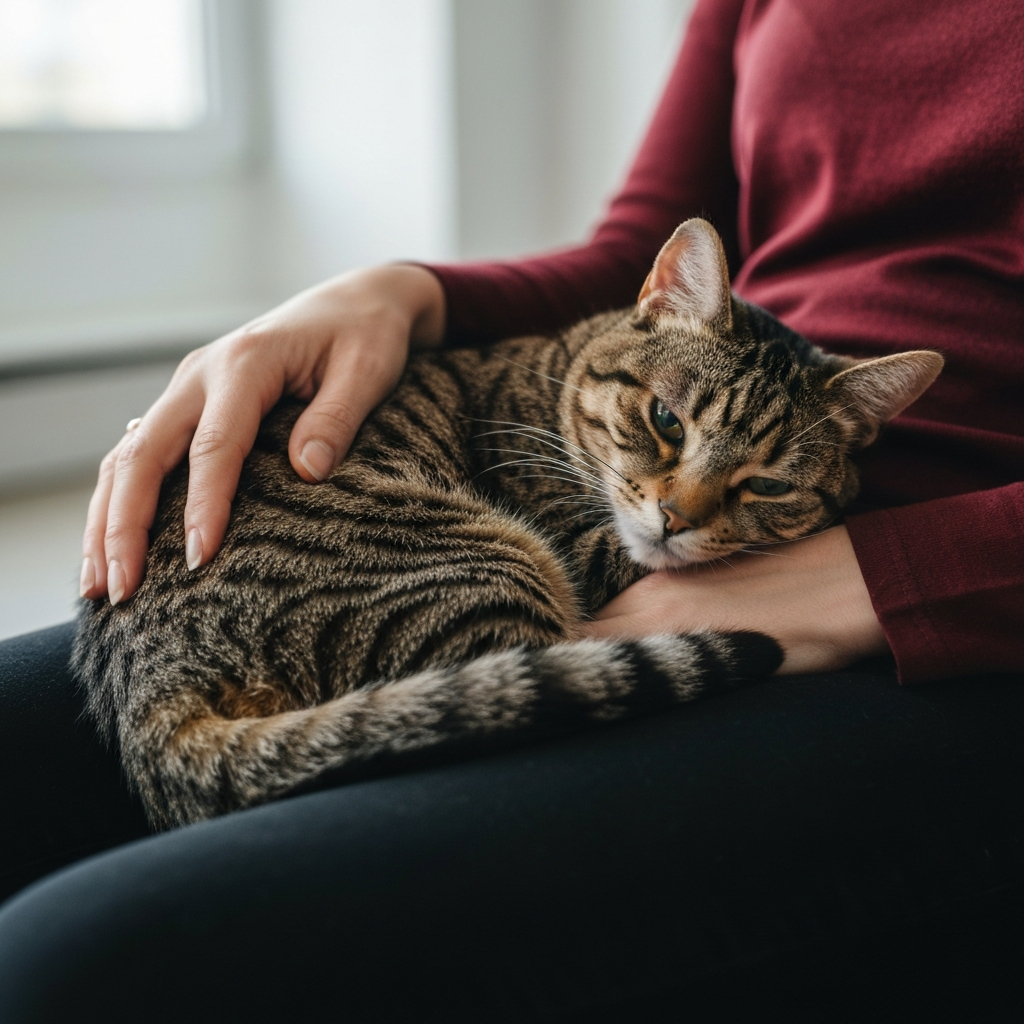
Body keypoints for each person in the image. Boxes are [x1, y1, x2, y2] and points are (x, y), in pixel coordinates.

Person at [0, 0, 1021, 1019]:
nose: (676, 510)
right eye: (666, 447)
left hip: (942, 632)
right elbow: (637, 245)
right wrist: (393, 293)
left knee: (75, 966)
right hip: (504, 524)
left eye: (733, 487)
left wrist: (879, 578)